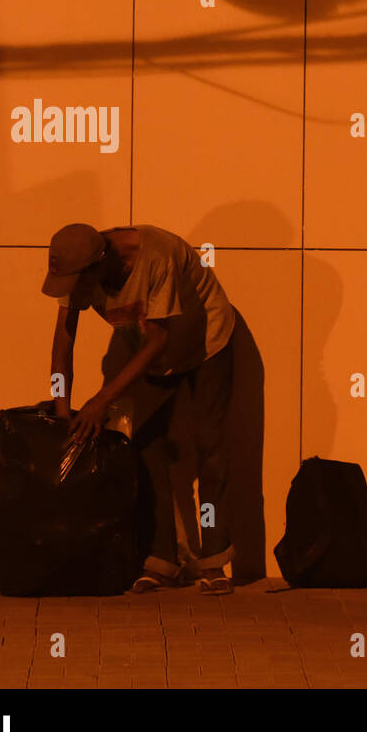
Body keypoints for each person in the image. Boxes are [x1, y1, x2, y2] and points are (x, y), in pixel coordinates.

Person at [43, 222, 238, 595]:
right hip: (152, 353)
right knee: (147, 443)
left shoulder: (157, 257)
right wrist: (61, 408)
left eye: (81, 284)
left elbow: (158, 340)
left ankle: (213, 562)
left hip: (205, 343)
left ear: (100, 265)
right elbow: (63, 340)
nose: (77, 295)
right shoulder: (77, 268)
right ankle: (161, 560)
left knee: (208, 446)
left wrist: (103, 400)